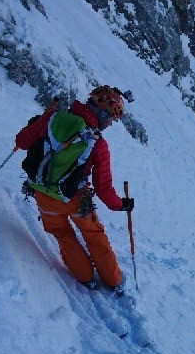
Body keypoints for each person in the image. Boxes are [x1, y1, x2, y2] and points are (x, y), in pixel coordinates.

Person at [15, 85, 134, 292]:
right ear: (103, 113)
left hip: (44, 195)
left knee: (62, 234)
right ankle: (113, 280)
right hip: (76, 200)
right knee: (94, 235)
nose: (109, 124)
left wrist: (40, 121)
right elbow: (103, 188)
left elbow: (22, 141)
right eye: (110, 119)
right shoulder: (97, 143)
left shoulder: (52, 119)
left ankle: (85, 277)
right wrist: (120, 205)